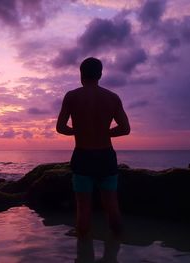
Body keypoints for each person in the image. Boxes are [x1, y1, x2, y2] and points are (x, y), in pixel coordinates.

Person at [56, 57, 130, 240]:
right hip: (106, 156)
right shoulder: (112, 97)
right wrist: (105, 132)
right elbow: (125, 129)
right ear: (100, 75)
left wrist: (80, 130)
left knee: (83, 206)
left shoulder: (72, 96)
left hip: (83, 156)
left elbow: (61, 127)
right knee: (112, 204)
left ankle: (83, 248)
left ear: (81, 74)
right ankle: (117, 244)